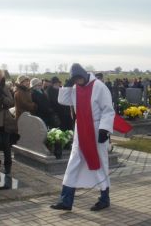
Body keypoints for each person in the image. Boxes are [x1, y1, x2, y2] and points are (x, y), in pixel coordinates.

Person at [50, 63, 115, 211]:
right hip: (81, 129)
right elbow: (63, 101)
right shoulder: (75, 88)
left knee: (99, 163)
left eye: (79, 79)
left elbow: (108, 110)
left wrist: (104, 129)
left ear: (84, 75)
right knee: (73, 163)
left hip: (96, 129)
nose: (78, 82)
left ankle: (104, 198)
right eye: (75, 80)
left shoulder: (99, 86)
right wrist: (67, 85)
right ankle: (66, 200)